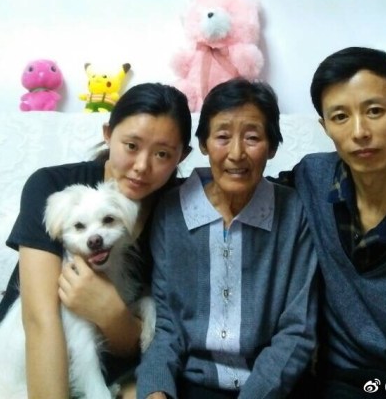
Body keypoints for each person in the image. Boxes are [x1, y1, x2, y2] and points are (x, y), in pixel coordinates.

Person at [0, 82, 192, 399]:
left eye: (162, 154)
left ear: (181, 155)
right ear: (108, 134)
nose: (142, 166)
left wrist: (112, 314)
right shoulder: (53, 186)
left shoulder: (181, 211)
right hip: (28, 367)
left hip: (113, 370)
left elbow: (147, 339)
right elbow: (40, 319)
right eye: (131, 146)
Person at [136, 78, 318, 399]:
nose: (236, 153)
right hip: (193, 383)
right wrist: (155, 389)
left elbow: (297, 330)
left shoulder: (294, 212)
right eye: (222, 136)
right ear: (203, 144)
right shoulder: (172, 211)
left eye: (252, 137)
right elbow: (167, 326)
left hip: (275, 386)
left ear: (272, 147)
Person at [290, 47, 386, 398]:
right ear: (325, 127)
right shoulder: (311, 179)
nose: (359, 131)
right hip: (335, 382)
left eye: (374, 111)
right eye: (340, 116)